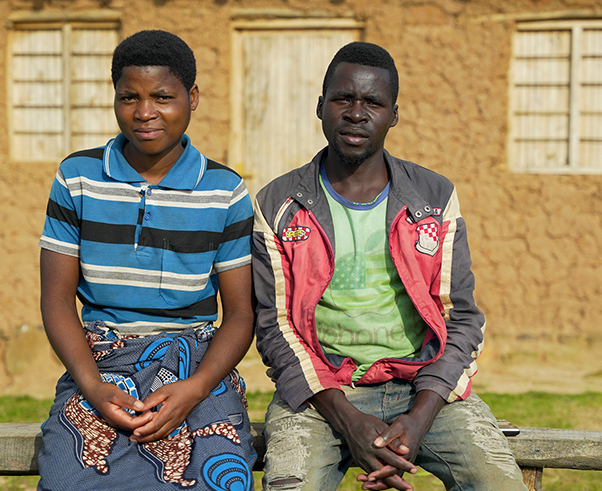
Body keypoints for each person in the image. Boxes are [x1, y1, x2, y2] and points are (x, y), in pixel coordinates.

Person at [252, 42, 527, 491]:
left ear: (393, 114)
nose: (356, 114)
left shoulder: (433, 198)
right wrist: (347, 419)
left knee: (498, 483)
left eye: (373, 103)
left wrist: (419, 418)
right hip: (321, 395)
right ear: (320, 107)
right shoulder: (278, 204)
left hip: (423, 387)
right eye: (343, 99)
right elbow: (274, 326)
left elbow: (460, 317)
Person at [36, 30, 255, 490]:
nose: (144, 112)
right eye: (129, 97)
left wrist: (196, 388)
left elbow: (240, 314)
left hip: (196, 365)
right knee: (69, 477)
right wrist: (93, 388)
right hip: (100, 363)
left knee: (222, 476)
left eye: (163, 97)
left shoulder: (225, 191)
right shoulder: (78, 178)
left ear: (192, 98)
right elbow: (56, 300)